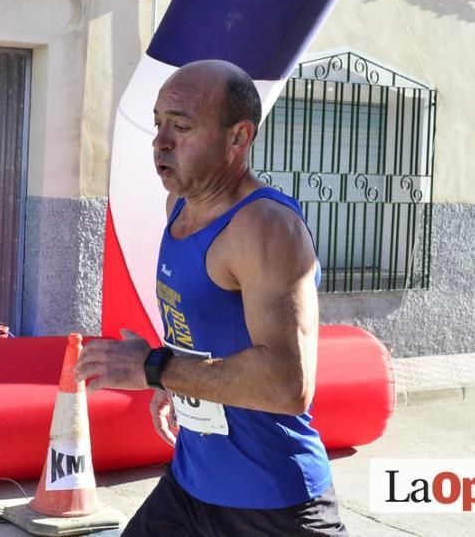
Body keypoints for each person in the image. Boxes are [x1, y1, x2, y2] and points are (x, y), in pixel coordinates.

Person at [76, 59, 348, 536]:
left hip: (271, 501)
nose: (162, 141)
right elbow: (205, 325)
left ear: (238, 138)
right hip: (192, 483)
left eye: (181, 126)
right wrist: (172, 384)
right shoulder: (178, 206)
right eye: (159, 123)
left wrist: (156, 369)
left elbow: (289, 385)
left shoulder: (265, 228)